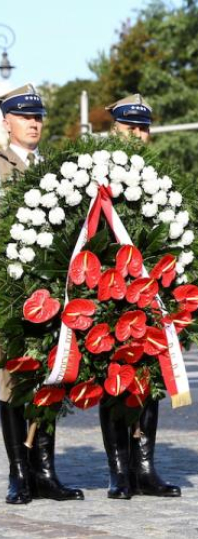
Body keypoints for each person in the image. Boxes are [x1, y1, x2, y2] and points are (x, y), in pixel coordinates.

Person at [0, 84, 84, 504]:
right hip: (10, 290)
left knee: (51, 376)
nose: (34, 123)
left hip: (51, 290)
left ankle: (45, 471)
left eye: (38, 117)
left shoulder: (56, 168)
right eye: (24, 116)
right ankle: (19, 472)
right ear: (6, 121)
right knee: (14, 380)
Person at [99, 93, 181, 499]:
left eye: (144, 128)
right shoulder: (94, 175)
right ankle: (119, 471)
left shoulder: (160, 177)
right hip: (109, 294)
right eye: (130, 127)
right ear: (114, 128)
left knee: (149, 383)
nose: (138, 134)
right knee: (113, 382)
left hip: (151, 295)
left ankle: (145, 468)